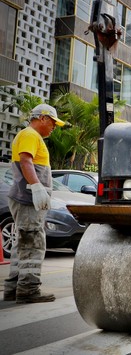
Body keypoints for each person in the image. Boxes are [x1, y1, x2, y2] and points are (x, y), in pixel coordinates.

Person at [4, 104, 65, 303]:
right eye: (53, 122)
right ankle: (28, 289)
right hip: (28, 201)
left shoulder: (30, 135)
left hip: (26, 200)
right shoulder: (30, 135)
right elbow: (26, 161)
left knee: (22, 243)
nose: (54, 127)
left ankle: (14, 288)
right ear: (43, 118)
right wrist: (37, 186)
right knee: (33, 243)